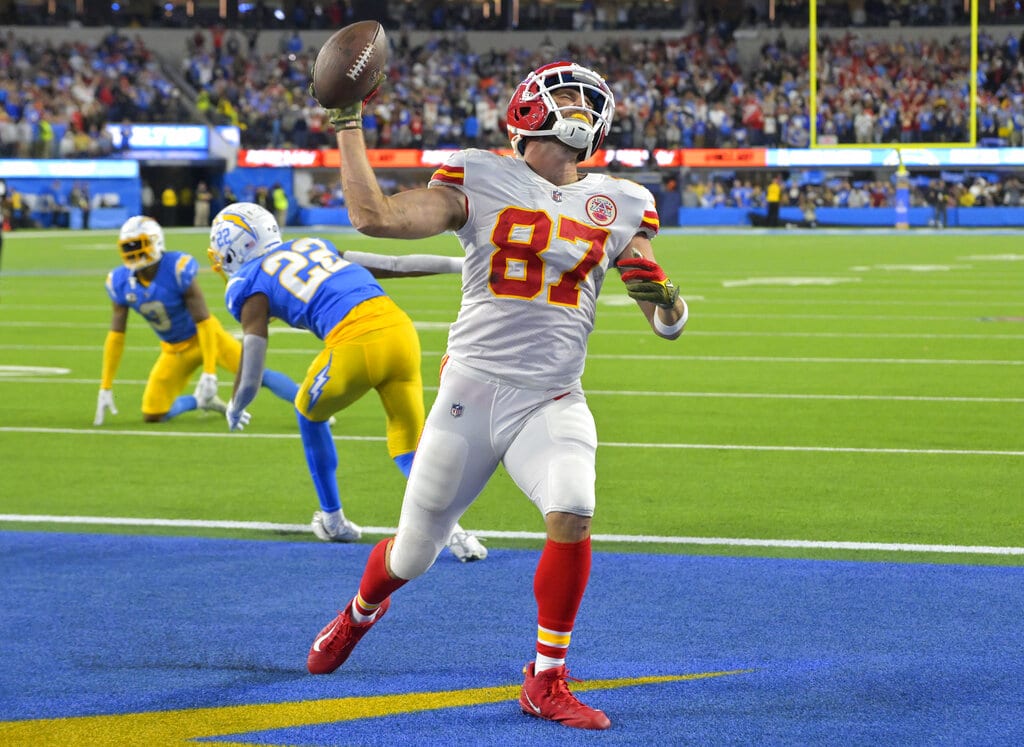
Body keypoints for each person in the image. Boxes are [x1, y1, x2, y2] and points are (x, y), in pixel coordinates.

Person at [304, 60, 687, 730]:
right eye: (562, 93)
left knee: (573, 504)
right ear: (526, 111)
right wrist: (347, 122)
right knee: (412, 553)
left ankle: (545, 677)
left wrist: (668, 305)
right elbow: (375, 217)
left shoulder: (623, 200)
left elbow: (655, 304)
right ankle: (361, 609)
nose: (575, 103)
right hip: (472, 391)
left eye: (582, 97)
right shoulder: (478, 173)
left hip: (552, 396)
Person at [207, 202, 488, 560]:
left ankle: (332, 517)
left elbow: (252, 365)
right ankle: (456, 533)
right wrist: (460, 264)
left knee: (308, 414)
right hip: (401, 332)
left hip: (355, 342)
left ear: (235, 247)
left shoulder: (249, 283)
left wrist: (238, 403)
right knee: (408, 448)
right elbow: (396, 265)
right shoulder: (314, 244)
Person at [95, 215, 299, 426]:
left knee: (256, 375)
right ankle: (200, 401)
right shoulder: (120, 282)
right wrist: (106, 385)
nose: (133, 252)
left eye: (138, 245)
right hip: (174, 350)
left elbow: (205, 322)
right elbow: (116, 335)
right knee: (153, 413)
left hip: (208, 339)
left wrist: (209, 372)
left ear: (155, 242)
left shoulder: (176, 268)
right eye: (128, 247)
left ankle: (308, 405)